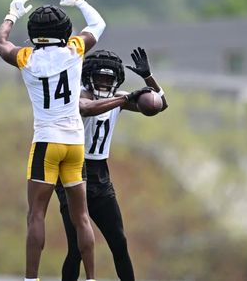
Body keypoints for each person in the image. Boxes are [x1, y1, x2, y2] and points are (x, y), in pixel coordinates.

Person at [0, 0, 106, 281]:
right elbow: (98, 24)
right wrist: (80, 3)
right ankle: (91, 278)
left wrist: (11, 15)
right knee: (81, 217)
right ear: (64, 31)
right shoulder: (74, 49)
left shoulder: (26, 57)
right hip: (75, 143)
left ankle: (32, 278)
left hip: (46, 142)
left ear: (34, 34)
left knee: (37, 215)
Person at [55, 48, 168, 281]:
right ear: (88, 77)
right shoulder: (78, 95)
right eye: (100, 78)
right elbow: (86, 108)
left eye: (109, 79)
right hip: (72, 171)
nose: (105, 83)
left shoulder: (119, 98)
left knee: (119, 241)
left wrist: (148, 78)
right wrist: (125, 98)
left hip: (101, 175)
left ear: (116, 80)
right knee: (76, 248)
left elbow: (160, 104)